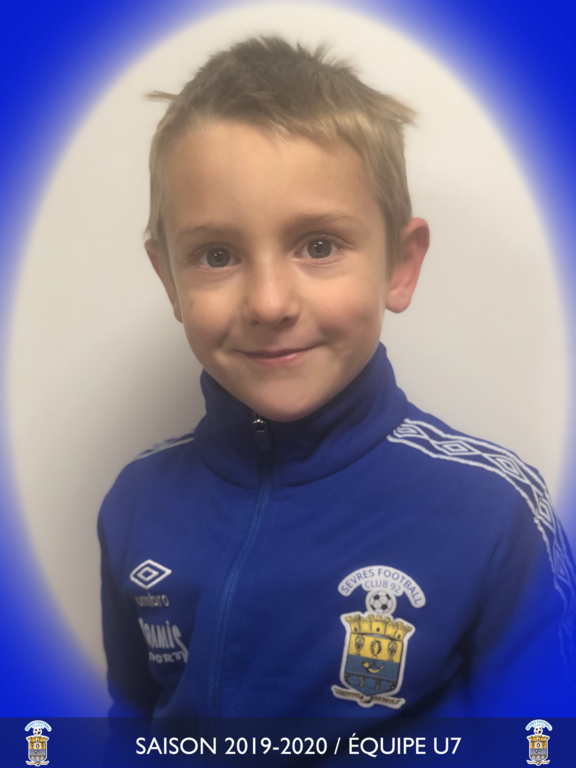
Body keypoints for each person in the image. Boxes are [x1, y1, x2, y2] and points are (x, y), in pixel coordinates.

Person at [98, 36, 575, 726]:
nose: (269, 304)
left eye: (318, 245)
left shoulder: (496, 512)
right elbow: (130, 722)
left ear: (400, 266)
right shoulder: (136, 502)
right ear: (169, 278)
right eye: (217, 255)